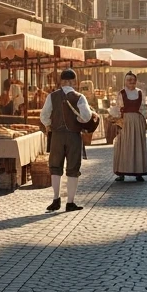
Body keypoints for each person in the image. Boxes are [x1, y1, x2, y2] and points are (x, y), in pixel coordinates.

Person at [40, 68, 92, 213]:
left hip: (56, 135)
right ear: (73, 81)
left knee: (55, 168)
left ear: (61, 81)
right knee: (73, 169)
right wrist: (77, 119)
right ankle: (70, 202)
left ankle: (56, 199)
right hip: (74, 136)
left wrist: (50, 125)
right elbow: (86, 116)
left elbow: (44, 116)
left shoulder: (52, 96)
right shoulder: (79, 97)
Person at [113, 72, 147, 183]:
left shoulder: (140, 93)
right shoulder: (122, 93)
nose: (132, 82)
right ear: (125, 81)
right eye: (129, 80)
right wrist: (118, 122)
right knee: (124, 145)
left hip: (137, 121)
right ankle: (122, 172)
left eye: (133, 80)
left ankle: (138, 172)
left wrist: (143, 121)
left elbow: (143, 108)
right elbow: (118, 108)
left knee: (137, 145)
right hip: (125, 121)